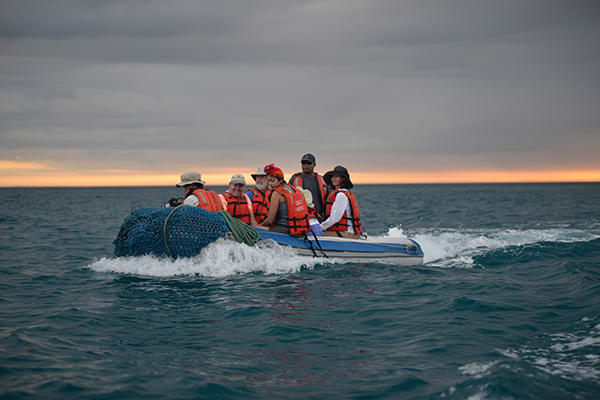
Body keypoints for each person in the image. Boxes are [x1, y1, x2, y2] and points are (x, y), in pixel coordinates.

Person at [258, 163, 310, 236]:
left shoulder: (276, 193)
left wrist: (259, 225)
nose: (270, 184)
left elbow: (270, 220)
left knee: (256, 229)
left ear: (280, 180)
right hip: (298, 228)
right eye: (268, 181)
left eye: (272, 181)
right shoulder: (292, 189)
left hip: (284, 229)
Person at [321, 166, 362, 239]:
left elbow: (335, 218)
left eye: (337, 177)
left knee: (312, 234)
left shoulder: (341, 195)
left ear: (343, 179)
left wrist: (320, 227)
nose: (334, 178)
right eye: (333, 176)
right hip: (349, 232)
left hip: (346, 233)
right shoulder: (346, 193)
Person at [288, 153, 328, 221]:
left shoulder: (321, 179)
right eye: (303, 163)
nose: (305, 166)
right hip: (301, 217)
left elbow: (327, 197)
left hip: (319, 217)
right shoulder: (294, 178)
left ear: (314, 165)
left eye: (309, 163)